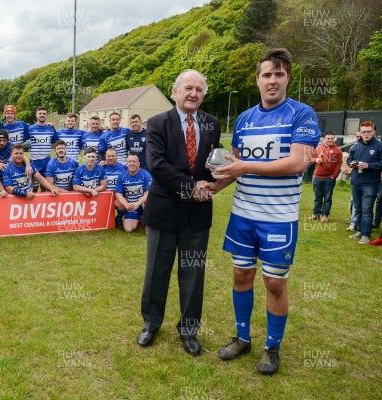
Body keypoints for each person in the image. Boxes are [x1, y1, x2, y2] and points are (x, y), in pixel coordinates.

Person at [207, 48, 321, 375]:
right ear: (257, 79)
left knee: (274, 283)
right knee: (241, 275)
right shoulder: (244, 119)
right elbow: (235, 169)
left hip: (278, 218)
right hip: (243, 216)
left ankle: (272, 347)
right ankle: (242, 338)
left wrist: (244, 166)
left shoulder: (301, 114)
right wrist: (210, 188)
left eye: (279, 74)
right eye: (267, 74)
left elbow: (298, 162)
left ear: (287, 79)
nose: (272, 80)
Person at [137, 69, 220, 359]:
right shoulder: (158, 123)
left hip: (197, 214)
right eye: (188, 88)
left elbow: (211, 163)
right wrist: (191, 187)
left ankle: (189, 330)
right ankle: (151, 323)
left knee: (193, 274)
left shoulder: (212, 124)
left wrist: (215, 177)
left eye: (199, 89)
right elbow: (157, 166)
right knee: (156, 272)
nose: (193, 94)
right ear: (175, 92)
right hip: (164, 210)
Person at [347, 121, 382, 244]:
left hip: (370, 183)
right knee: (358, 208)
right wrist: (351, 163)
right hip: (356, 182)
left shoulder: (379, 145)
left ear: (373, 132)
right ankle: (360, 231)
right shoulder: (356, 146)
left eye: (368, 131)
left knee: (367, 209)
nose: (366, 134)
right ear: (360, 133)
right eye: (363, 132)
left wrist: (369, 165)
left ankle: (366, 234)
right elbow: (349, 159)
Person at [310, 132, 343, 222]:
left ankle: (325, 215)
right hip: (317, 177)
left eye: (332, 138)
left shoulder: (338, 150)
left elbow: (339, 164)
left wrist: (333, 177)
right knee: (318, 197)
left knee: (328, 197)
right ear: (324, 139)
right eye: (328, 138)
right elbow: (311, 159)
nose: (330, 140)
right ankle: (315, 214)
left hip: (329, 178)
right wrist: (316, 160)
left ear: (334, 139)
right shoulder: (318, 148)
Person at [115, 155, 152, 232]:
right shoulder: (122, 176)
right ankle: (139, 218)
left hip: (142, 204)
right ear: (126, 164)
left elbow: (149, 192)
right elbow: (118, 194)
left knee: (147, 202)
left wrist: (138, 203)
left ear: (138, 164)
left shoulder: (145, 174)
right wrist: (126, 205)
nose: (132, 163)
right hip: (131, 205)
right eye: (130, 161)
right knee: (128, 229)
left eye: (134, 161)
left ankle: (147, 221)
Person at [28, 107, 58, 190]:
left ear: (46, 115)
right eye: (40, 113)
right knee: (34, 187)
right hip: (35, 161)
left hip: (47, 161)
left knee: (45, 186)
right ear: (36, 115)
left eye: (44, 113)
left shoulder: (51, 129)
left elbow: (57, 142)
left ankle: (44, 203)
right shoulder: (30, 129)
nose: (42, 115)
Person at [103, 148, 126, 227]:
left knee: (123, 204)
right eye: (108, 156)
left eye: (113, 156)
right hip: (104, 196)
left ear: (117, 156)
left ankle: (118, 218)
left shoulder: (123, 168)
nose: (111, 158)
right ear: (105, 156)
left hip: (117, 196)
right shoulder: (101, 168)